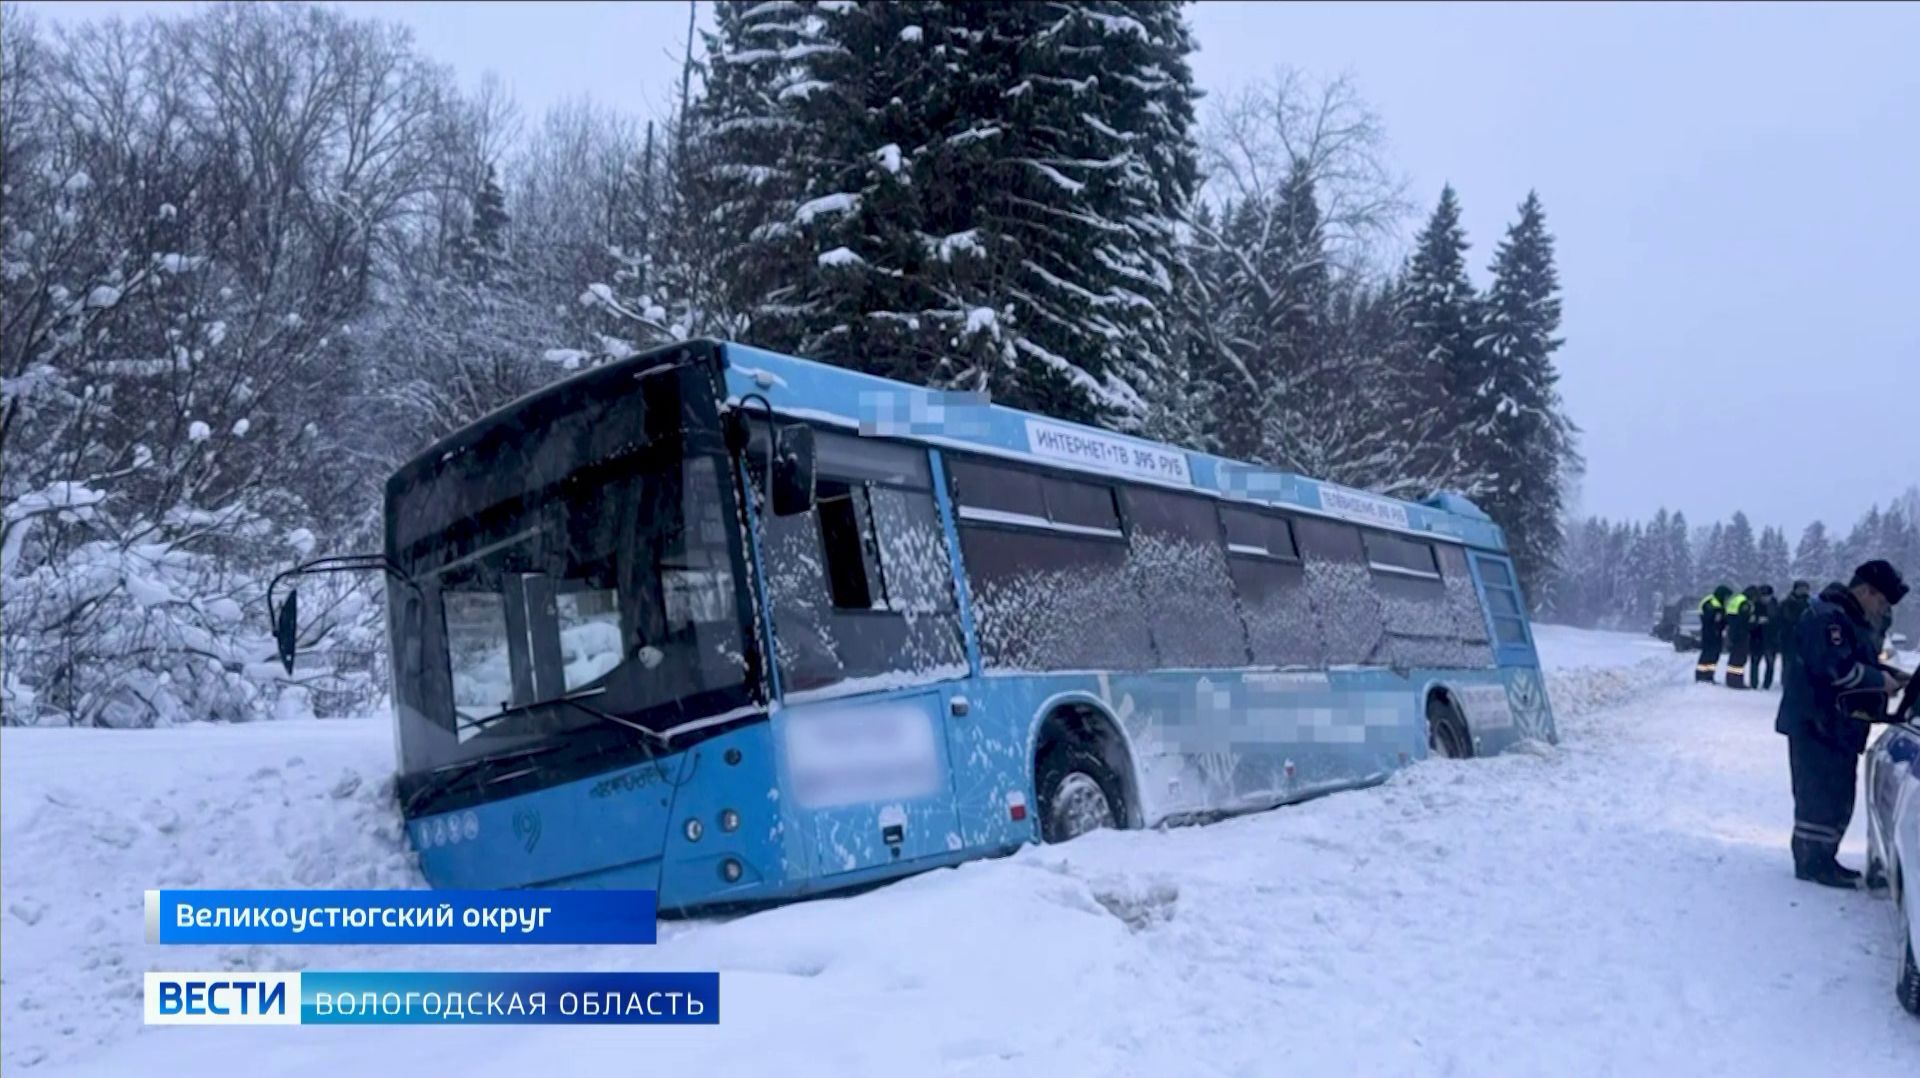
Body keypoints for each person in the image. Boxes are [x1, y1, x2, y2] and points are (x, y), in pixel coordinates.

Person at [1775, 559, 1910, 888]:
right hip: (1817, 723)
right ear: (1866, 591)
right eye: (1881, 601)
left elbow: (1857, 661)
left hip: (1836, 725)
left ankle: (1825, 858)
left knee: (1836, 794)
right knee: (1819, 795)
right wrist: (1880, 681)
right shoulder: (1828, 618)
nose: (1882, 610)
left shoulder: (1848, 618)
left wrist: (1892, 675)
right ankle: (1812, 862)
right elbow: (1835, 669)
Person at [1696, 585, 1733, 683]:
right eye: (1726, 597)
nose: (1727, 599)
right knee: (1707, 654)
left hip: (1717, 633)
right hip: (1709, 632)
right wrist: (1717, 618)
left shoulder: (1720, 604)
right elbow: (1709, 619)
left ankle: (1709, 675)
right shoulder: (1710, 602)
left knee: (1715, 655)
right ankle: (1701, 676)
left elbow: (1722, 619)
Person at [1749, 584, 1780, 690]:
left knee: (1770, 663)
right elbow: (1749, 622)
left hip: (1771, 639)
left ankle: (1767, 684)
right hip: (1757, 638)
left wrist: (1770, 622)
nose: (1765, 598)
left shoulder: (1775, 605)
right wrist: (1757, 621)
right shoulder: (1754, 605)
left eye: (1767, 596)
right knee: (1755, 661)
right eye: (1763, 596)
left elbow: (1779, 621)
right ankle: (1754, 683)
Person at [1724, 585, 1755, 689]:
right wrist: (1753, 622)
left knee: (1734, 657)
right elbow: (1745, 620)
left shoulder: (1736, 599)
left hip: (1733, 632)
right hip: (1741, 634)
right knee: (1740, 658)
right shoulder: (1745, 603)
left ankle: (1731, 679)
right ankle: (1737, 681)